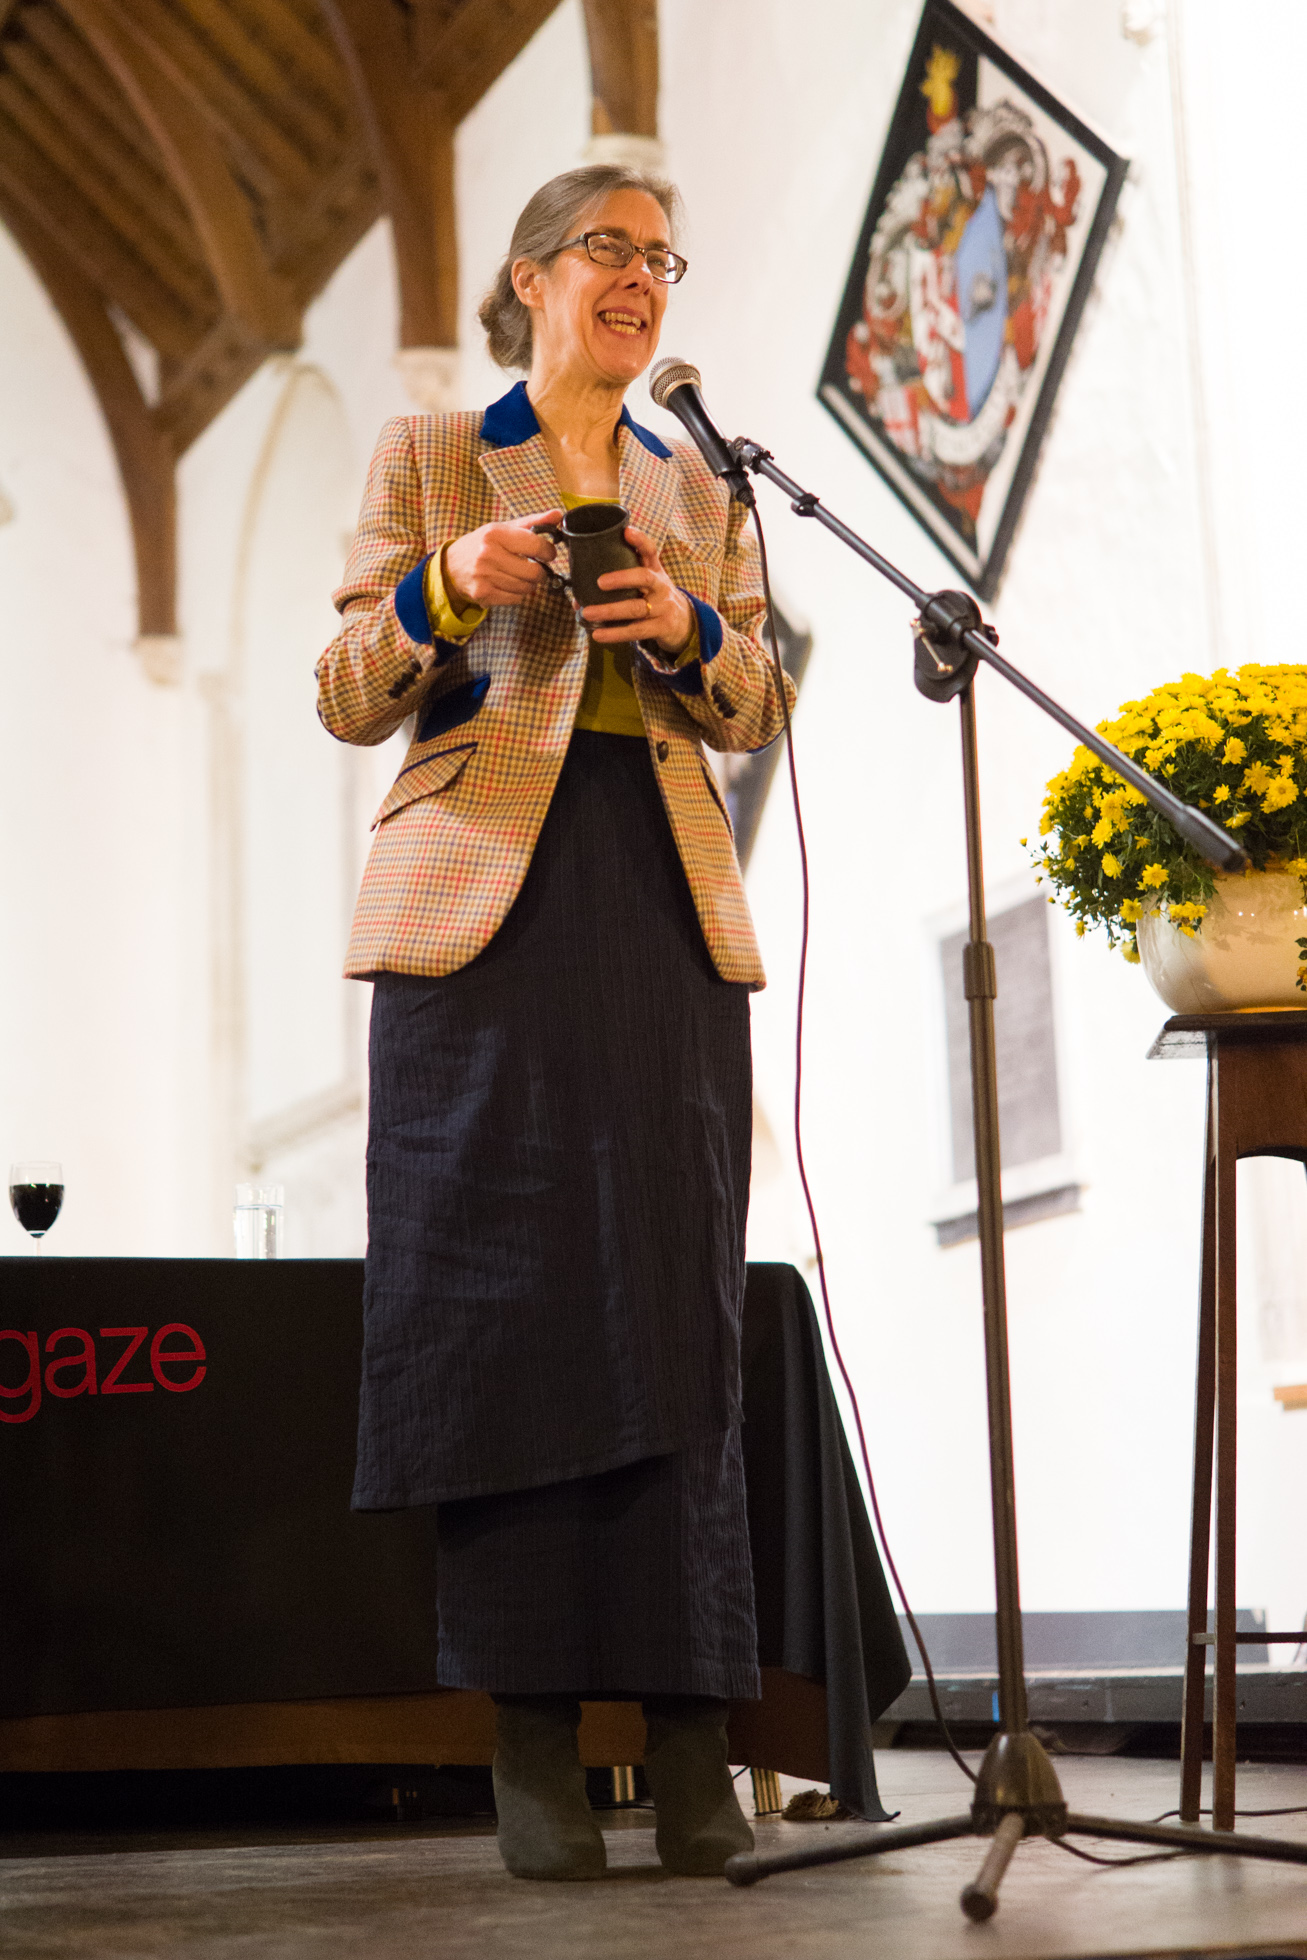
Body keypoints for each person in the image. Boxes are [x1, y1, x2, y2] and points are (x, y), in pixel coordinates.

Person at [316, 164, 795, 1881]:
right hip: (480, 917)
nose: (642, 278)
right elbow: (345, 689)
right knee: (502, 1303)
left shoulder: (700, 480)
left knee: (675, 1307)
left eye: (663, 257)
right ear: (531, 278)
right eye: (610, 249)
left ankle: (692, 1747)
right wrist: (451, 583)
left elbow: (758, 697)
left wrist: (689, 626)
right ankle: (529, 1743)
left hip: (659, 900)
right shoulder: (436, 450)